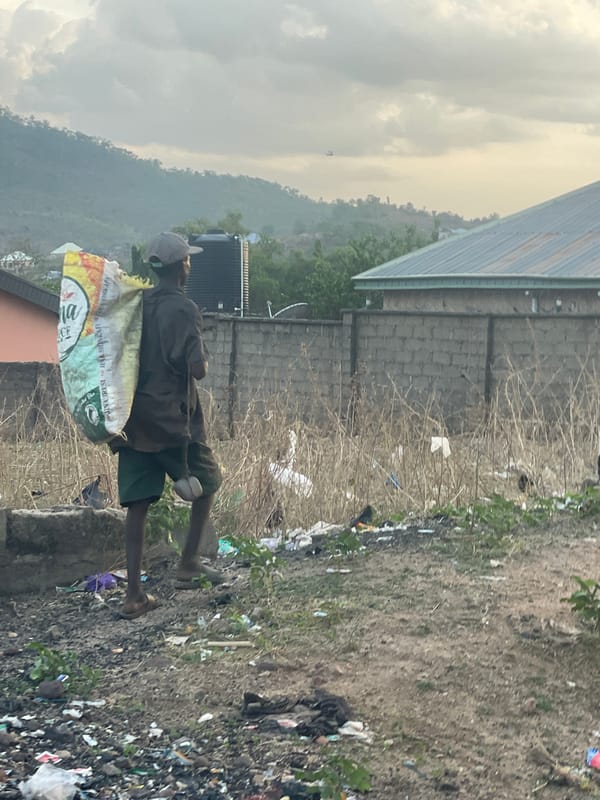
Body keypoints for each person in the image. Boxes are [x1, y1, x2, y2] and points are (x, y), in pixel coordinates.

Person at [112, 231, 223, 620]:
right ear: (182, 267)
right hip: (175, 423)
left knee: (137, 506)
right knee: (208, 480)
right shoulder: (184, 309)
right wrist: (200, 357)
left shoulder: (135, 304)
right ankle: (189, 562)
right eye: (188, 260)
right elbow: (198, 370)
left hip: (133, 420)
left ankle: (133, 595)